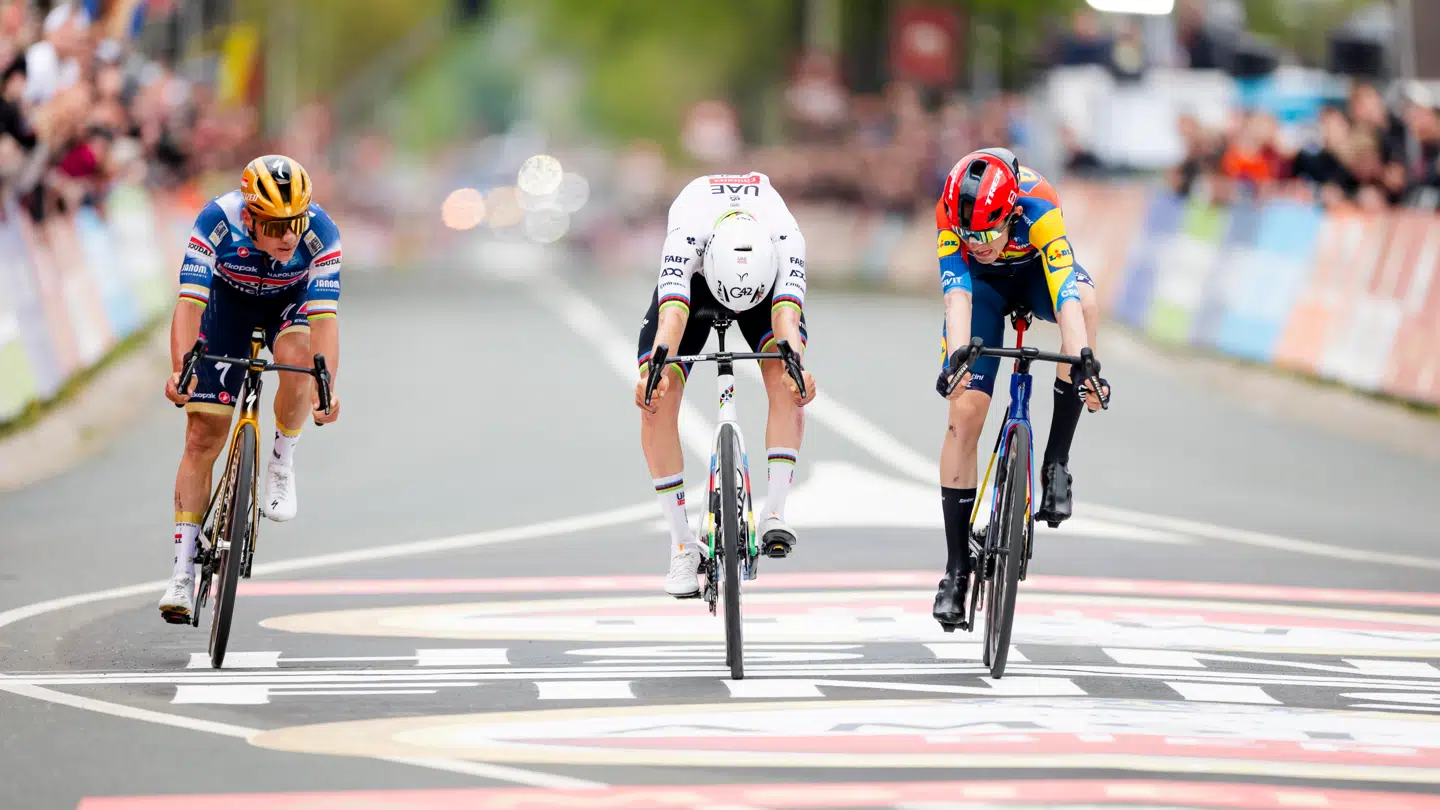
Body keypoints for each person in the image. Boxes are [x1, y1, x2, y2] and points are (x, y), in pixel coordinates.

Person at [157, 155, 342, 623]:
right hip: (228, 306)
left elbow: (324, 321)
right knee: (202, 436)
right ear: (249, 217)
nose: (288, 237)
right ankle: (181, 574)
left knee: (301, 362)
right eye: (276, 226)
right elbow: (189, 304)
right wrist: (182, 369)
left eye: (294, 224)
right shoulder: (216, 221)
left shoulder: (321, 233)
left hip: (289, 303)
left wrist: (327, 387)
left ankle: (281, 458)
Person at [931, 148, 1108, 627]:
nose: (979, 240)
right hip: (982, 288)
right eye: (970, 234)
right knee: (964, 412)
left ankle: (1056, 463)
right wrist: (957, 360)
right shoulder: (951, 213)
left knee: (1088, 307)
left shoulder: (1040, 206)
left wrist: (1083, 361)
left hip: (1034, 277)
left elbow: (1067, 295)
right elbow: (958, 294)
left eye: (988, 231)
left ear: (1011, 213)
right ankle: (956, 568)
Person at [635, 171, 817, 597]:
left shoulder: (785, 237)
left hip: (763, 291)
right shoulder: (688, 233)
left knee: (786, 376)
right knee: (656, 396)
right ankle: (682, 543)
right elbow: (673, 316)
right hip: (698, 289)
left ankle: (774, 512)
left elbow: (786, 318)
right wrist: (655, 370)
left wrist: (798, 367)